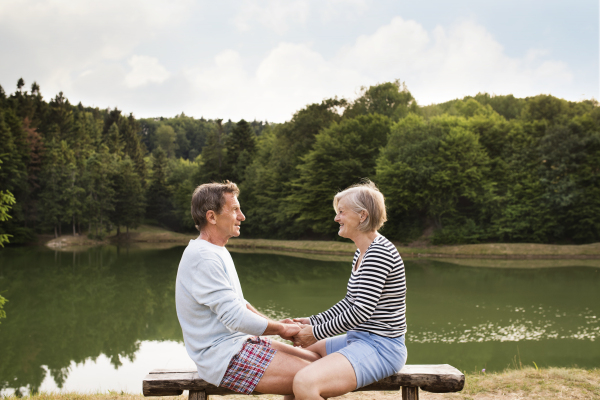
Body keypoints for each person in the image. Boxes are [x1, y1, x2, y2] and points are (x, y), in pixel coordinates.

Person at [175, 181, 320, 397]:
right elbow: (235, 318)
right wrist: (281, 330)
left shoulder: (216, 250)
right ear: (212, 217)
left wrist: (278, 323)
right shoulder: (204, 257)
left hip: (240, 343)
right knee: (317, 377)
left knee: (318, 362)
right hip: (222, 357)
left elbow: (239, 304)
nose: (242, 216)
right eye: (234, 209)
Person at [290, 180, 408, 400]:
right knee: (300, 357)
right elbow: (350, 302)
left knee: (305, 382)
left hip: (382, 346)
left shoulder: (378, 254)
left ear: (362, 216)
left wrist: (316, 332)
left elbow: (360, 312)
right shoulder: (362, 252)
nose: (336, 218)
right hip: (360, 338)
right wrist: (313, 321)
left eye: (341, 212)